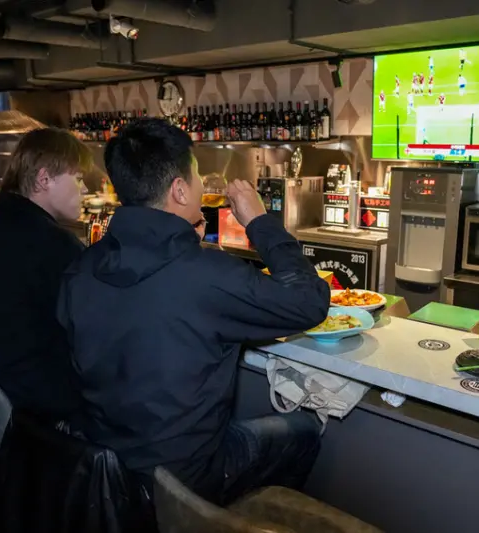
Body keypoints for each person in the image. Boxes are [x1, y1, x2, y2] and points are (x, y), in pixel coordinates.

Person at [58, 118, 330, 508]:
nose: (203, 185)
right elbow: (309, 301)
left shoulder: (81, 268)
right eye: (198, 175)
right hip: (184, 476)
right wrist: (259, 221)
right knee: (303, 431)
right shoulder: (207, 276)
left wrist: (187, 244)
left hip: (105, 465)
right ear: (180, 189)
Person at [0, 128, 92, 420]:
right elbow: (91, 330)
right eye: (78, 178)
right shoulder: (55, 245)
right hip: (28, 405)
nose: (84, 189)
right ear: (44, 179)